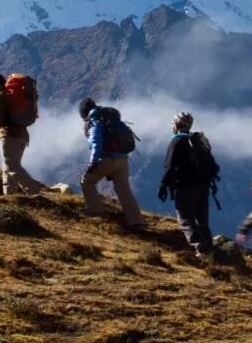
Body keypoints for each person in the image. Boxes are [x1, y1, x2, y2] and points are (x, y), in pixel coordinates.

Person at [78, 98, 146, 230]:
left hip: (108, 158)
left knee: (86, 181)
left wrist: (92, 163)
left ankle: (95, 210)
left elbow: (96, 143)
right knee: (124, 190)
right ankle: (137, 221)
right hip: (123, 160)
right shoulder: (109, 117)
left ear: (84, 114)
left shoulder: (94, 120)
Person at [158, 112, 214, 257]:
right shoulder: (197, 141)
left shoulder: (177, 141)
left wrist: (163, 185)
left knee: (185, 219)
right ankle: (211, 250)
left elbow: (169, 166)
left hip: (185, 186)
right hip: (203, 185)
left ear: (176, 124)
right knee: (202, 220)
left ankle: (201, 248)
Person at [0, 74, 46, 194]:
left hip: (10, 134)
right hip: (22, 136)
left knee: (11, 165)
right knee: (8, 165)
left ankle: (33, 190)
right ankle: (9, 194)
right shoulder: (11, 96)